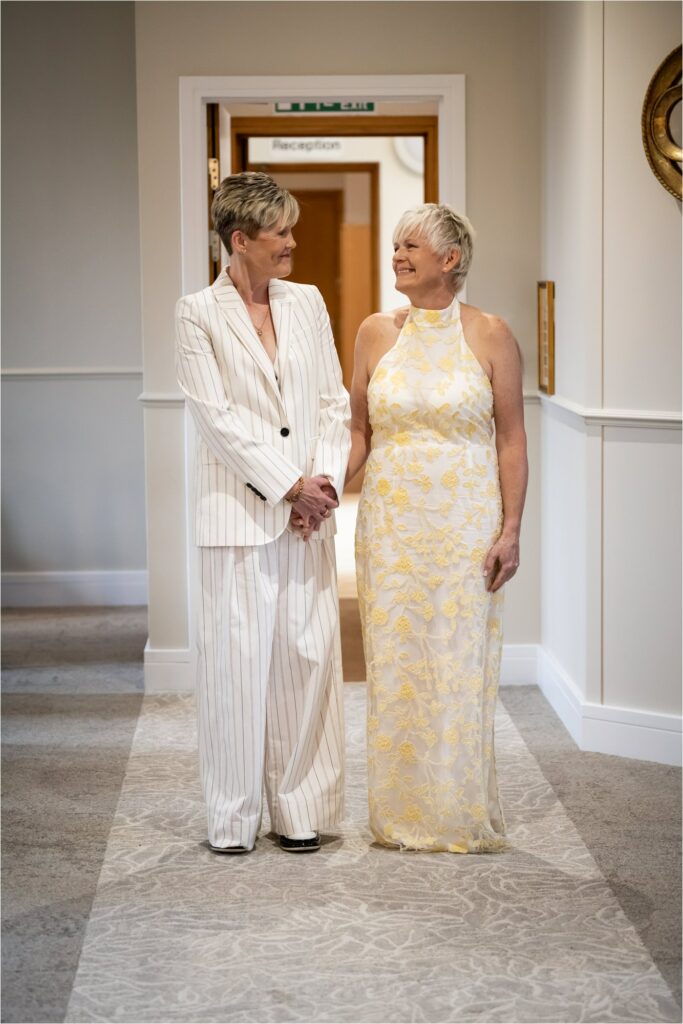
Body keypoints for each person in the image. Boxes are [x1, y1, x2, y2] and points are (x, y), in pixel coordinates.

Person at [175, 172, 350, 854]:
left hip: (308, 516)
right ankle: (232, 816)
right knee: (236, 667)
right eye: (279, 232)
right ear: (239, 240)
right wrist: (287, 486)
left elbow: (334, 401)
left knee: (307, 660)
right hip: (236, 514)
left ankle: (299, 808)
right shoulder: (196, 311)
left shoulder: (306, 302)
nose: (292, 242)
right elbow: (214, 416)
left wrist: (324, 485)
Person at [346, 203, 528, 852]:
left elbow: (510, 439)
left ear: (449, 260)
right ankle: (398, 815)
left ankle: (454, 813)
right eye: (394, 245)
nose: (396, 254)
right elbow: (358, 432)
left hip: (464, 525)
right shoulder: (374, 333)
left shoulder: (490, 334)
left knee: (456, 662)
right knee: (397, 664)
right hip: (390, 527)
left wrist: (509, 529)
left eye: (411, 246)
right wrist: (312, 491)